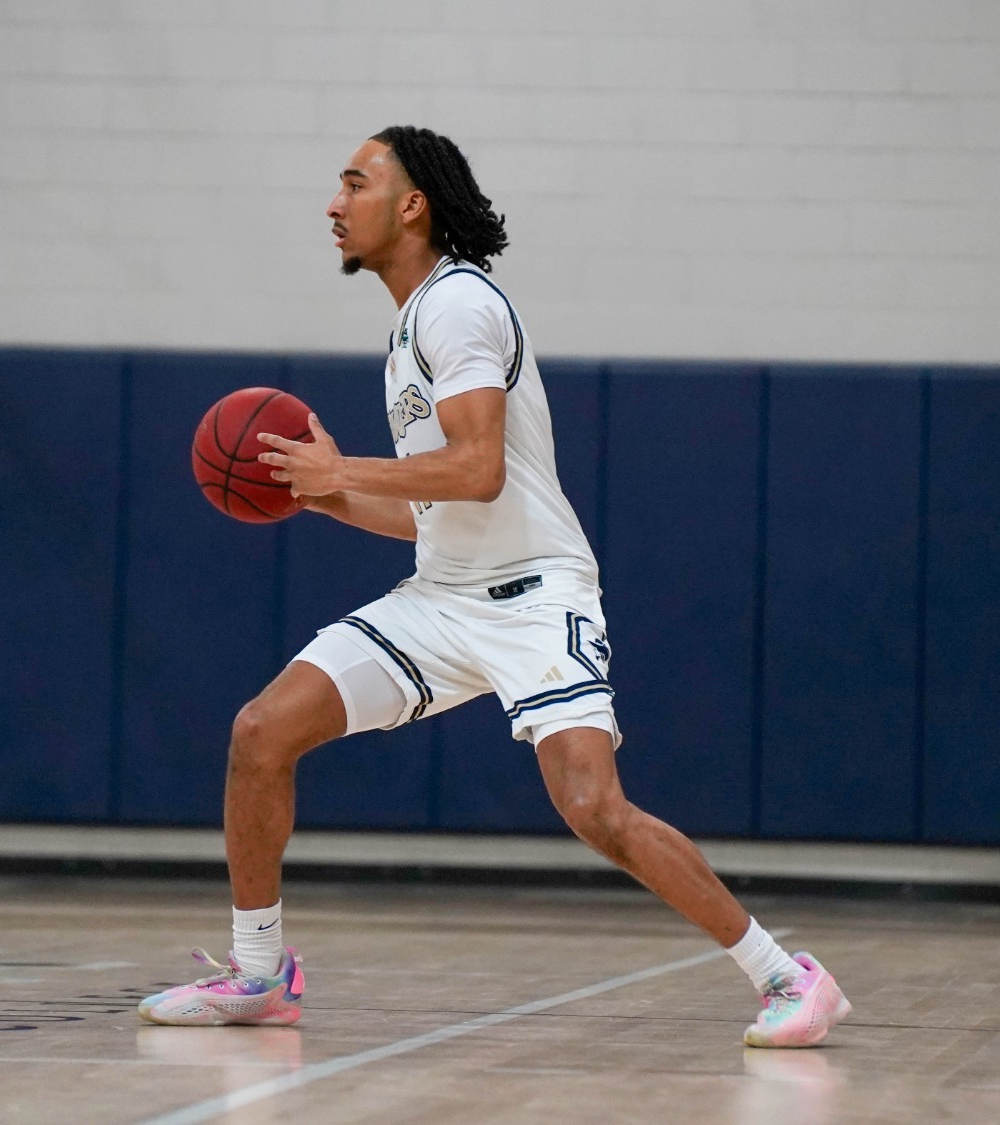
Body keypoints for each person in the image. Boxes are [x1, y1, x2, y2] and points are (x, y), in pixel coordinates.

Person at [139, 127, 849, 1048]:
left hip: (535, 596)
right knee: (261, 732)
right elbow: (435, 512)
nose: (333, 203)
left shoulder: (459, 304)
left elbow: (477, 471)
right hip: (444, 596)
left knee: (593, 806)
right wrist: (327, 497)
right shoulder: (411, 326)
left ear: (412, 205)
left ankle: (788, 976)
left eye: (354, 184)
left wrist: (340, 468)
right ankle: (259, 974)